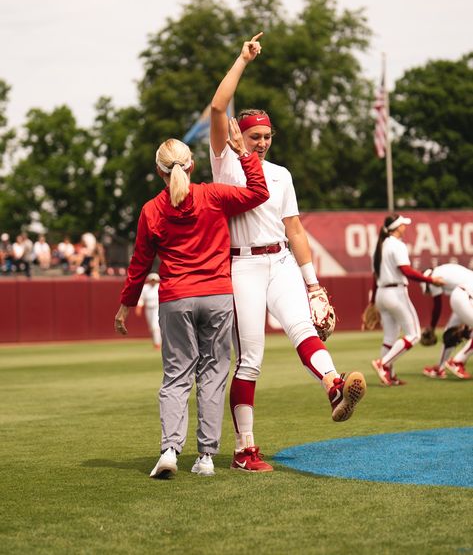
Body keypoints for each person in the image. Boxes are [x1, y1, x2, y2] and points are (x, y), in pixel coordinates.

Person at [209, 32, 367, 473]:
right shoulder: (225, 161)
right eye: (255, 135)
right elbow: (218, 108)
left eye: (267, 136)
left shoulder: (280, 174)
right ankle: (244, 449)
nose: (261, 143)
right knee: (252, 357)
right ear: (242, 134)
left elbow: (294, 228)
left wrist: (314, 283)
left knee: (302, 327)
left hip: (278, 259)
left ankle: (335, 386)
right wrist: (242, 59)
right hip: (242, 264)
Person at [114, 121, 269, 479]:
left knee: (176, 376)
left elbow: (139, 264)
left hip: (176, 299)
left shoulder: (152, 210)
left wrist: (125, 305)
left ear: (159, 172)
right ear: (192, 166)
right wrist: (244, 154)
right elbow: (259, 193)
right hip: (216, 295)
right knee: (213, 374)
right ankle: (206, 458)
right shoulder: (213, 195)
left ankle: (170, 448)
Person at [370, 214, 444, 386]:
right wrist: (431, 280)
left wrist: (373, 301)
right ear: (397, 227)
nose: (405, 227)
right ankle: (383, 364)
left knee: (390, 337)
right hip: (396, 293)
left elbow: (375, 276)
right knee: (414, 334)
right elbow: (406, 270)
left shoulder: (380, 247)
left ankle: (389, 375)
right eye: (403, 224)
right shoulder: (397, 245)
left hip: (382, 293)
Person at [421, 263, 473, 380]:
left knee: (450, 332)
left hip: (462, 295)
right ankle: (457, 362)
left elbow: (437, 305)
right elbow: (438, 305)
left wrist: (432, 327)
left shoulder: (436, 273)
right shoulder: (437, 273)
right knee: (454, 332)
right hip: (464, 295)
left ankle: (441, 368)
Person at [136, 272, 162, 348]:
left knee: (155, 326)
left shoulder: (159, 287)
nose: (153, 281)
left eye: (154, 280)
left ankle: (158, 344)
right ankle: (155, 342)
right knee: (151, 327)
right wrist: (139, 307)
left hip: (157, 308)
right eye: (152, 280)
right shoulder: (145, 288)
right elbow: (141, 299)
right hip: (148, 309)